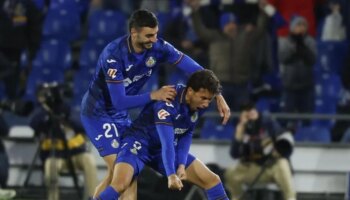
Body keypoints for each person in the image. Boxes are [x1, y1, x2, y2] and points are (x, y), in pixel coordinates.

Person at [80, 9, 231, 199]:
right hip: (98, 113)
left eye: (156, 34)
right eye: (149, 35)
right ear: (134, 33)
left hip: (122, 115)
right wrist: (154, 95)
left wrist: (217, 94)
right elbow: (118, 102)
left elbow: (195, 70)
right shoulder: (114, 55)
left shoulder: (159, 48)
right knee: (126, 179)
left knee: (116, 176)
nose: (154, 39)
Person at [96, 69, 228, 200]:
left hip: (160, 150)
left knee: (212, 180)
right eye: (203, 98)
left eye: (209, 100)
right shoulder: (167, 102)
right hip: (139, 143)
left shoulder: (198, 105)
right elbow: (168, 143)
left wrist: (181, 165)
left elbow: (186, 134)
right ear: (190, 91)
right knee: (120, 185)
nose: (206, 104)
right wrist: (171, 175)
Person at [187, 0, 273, 111]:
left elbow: (260, 29)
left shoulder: (245, 37)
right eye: (228, 23)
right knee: (219, 115)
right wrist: (195, 12)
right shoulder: (214, 37)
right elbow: (199, 29)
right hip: (219, 85)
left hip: (241, 84)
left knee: (241, 116)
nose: (232, 26)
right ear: (223, 25)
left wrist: (263, 12)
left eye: (233, 23)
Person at [30, 84, 98, 200]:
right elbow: (34, 124)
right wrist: (46, 110)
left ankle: (92, 197)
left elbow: (82, 126)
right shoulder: (42, 113)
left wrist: (65, 116)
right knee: (50, 166)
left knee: (89, 160)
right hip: (56, 156)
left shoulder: (66, 109)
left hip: (75, 155)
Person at [224, 102, 296, 200]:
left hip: (271, 166)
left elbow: (284, 139)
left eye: (251, 109)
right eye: (246, 111)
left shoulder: (268, 122)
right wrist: (239, 132)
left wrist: (277, 149)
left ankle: (290, 198)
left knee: (282, 163)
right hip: (252, 167)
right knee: (230, 174)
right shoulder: (242, 127)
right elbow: (234, 154)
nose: (250, 113)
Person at [278, 16, 316, 128]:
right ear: (292, 28)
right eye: (298, 25)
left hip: (306, 86)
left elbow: (312, 60)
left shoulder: (310, 41)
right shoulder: (285, 42)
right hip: (289, 86)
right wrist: (293, 49)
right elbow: (282, 58)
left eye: (303, 25)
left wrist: (303, 48)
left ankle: (307, 140)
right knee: (286, 118)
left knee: (307, 119)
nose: (301, 28)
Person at [0, 0, 42, 99]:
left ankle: (11, 102)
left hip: (15, 51)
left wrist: (32, 51)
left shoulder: (27, 4)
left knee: (12, 85)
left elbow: (34, 28)